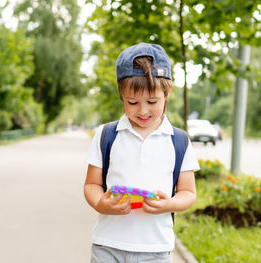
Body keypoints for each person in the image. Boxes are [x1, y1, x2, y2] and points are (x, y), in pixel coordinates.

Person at [84, 42, 199, 263]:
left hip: (155, 250)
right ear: (121, 95)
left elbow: (188, 193)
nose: (143, 111)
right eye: (133, 102)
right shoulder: (107, 134)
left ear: (168, 92)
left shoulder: (179, 141)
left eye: (152, 101)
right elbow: (91, 185)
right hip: (107, 246)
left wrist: (170, 204)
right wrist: (100, 203)